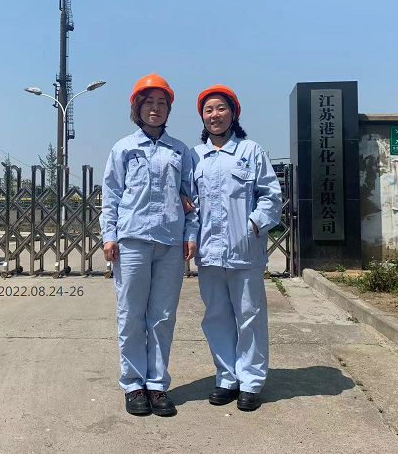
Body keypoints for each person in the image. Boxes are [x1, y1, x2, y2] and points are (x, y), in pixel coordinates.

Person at [101, 72, 198, 417]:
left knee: (162, 316)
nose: (155, 109)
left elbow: (192, 197)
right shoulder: (123, 148)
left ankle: (157, 384)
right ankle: (133, 385)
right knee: (131, 314)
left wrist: (190, 234)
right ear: (137, 108)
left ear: (169, 109)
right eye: (148, 103)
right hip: (132, 241)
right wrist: (109, 235)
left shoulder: (180, 150)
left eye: (161, 103)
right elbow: (111, 194)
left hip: (170, 242)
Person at [191, 84, 282, 412]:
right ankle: (226, 377)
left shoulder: (250, 151)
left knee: (250, 316)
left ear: (233, 113)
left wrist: (253, 225)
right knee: (216, 316)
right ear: (202, 117)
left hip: (245, 251)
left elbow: (271, 196)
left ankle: (251, 381)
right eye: (208, 110)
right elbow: (190, 204)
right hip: (209, 252)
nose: (214, 115)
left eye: (221, 108)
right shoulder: (195, 157)